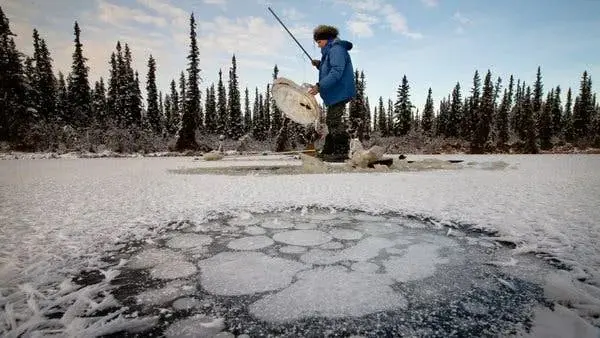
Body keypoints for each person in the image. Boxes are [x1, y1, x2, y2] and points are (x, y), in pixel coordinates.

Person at [308, 25, 356, 162]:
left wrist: (319, 86)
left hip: (340, 90)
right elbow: (330, 68)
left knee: (333, 121)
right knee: (331, 121)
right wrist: (319, 64)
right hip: (336, 92)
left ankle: (341, 150)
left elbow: (336, 72)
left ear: (327, 39)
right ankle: (330, 149)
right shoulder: (330, 52)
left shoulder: (336, 50)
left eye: (319, 42)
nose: (318, 45)